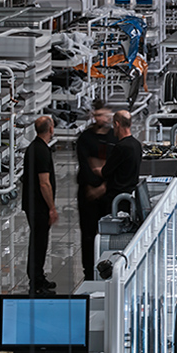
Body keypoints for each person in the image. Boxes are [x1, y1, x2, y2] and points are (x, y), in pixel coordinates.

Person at [76, 99, 117, 283]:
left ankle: (108, 267)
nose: (100, 118)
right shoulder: (85, 138)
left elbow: (115, 166)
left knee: (108, 235)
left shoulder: (114, 138)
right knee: (88, 234)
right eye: (97, 114)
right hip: (88, 194)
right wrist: (94, 184)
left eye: (104, 114)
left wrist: (103, 185)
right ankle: (88, 271)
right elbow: (86, 165)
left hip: (107, 193)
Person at [22, 116, 58, 294]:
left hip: (32, 204)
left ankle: (38, 276)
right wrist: (52, 207)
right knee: (39, 243)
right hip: (39, 206)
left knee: (38, 241)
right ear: (50, 129)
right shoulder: (42, 151)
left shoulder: (33, 148)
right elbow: (44, 183)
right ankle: (36, 282)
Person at [89, 109, 142, 212]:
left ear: (117, 124)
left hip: (117, 198)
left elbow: (106, 172)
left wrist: (96, 169)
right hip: (130, 193)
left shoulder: (121, 147)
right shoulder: (136, 144)